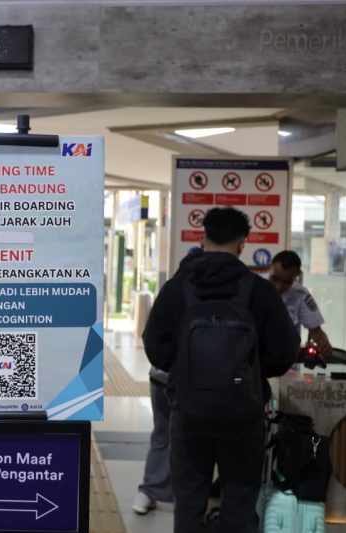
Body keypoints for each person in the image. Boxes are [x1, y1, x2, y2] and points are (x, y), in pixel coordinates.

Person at [143, 207, 299, 533]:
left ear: (203, 238)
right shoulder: (259, 291)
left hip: (189, 413)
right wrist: (251, 370)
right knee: (240, 502)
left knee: (189, 502)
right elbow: (285, 352)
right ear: (243, 243)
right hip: (244, 416)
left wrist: (188, 369)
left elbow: (155, 347)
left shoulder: (178, 289)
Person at [269, 250, 333, 360]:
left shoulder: (301, 295)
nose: (279, 286)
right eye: (275, 279)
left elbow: (315, 330)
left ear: (296, 276)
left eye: (286, 282)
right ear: (270, 269)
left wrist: (324, 345)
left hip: (287, 360)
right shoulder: (255, 288)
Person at [132, 366, 174, 515]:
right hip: (190, 378)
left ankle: (149, 491)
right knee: (194, 439)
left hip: (161, 374)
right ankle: (190, 499)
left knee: (162, 435)